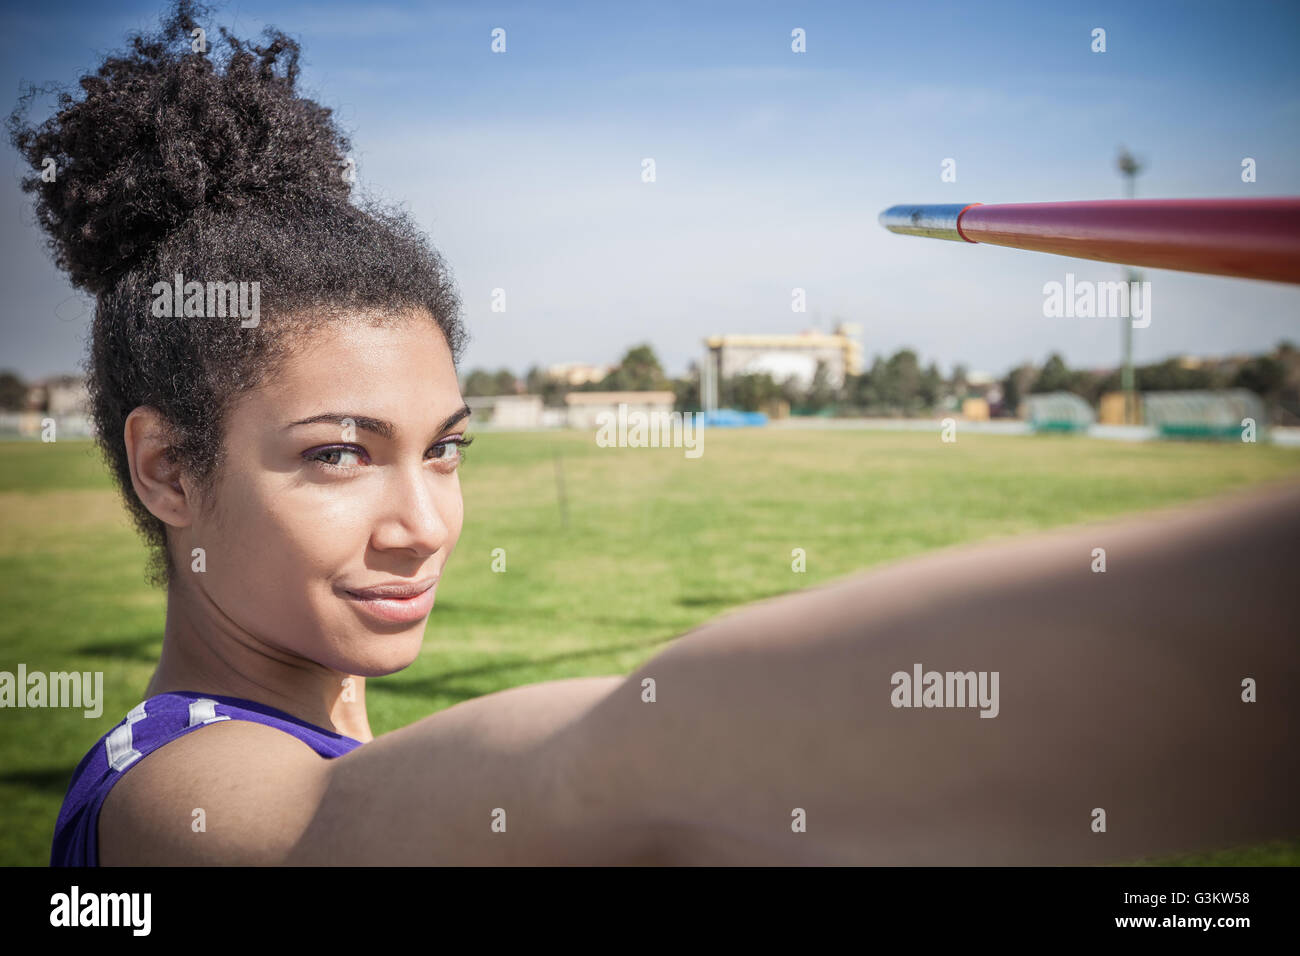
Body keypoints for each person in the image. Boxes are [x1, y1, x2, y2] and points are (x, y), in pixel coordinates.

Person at [15, 1, 1296, 867]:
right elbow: (609, 770)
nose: (423, 525)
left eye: (445, 447)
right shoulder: (175, 805)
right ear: (167, 468)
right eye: (339, 452)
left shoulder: (324, 686)